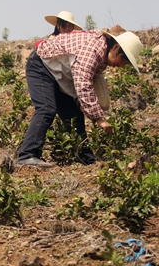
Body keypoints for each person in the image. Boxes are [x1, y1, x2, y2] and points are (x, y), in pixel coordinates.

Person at [17, 30, 143, 167]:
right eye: (124, 60)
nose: (122, 65)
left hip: (58, 74)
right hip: (41, 65)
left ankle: (87, 160)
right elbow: (83, 84)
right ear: (116, 48)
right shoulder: (93, 50)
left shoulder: (102, 53)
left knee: (74, 116)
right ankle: (27, 155)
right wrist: (99, 118)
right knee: (46, 109)